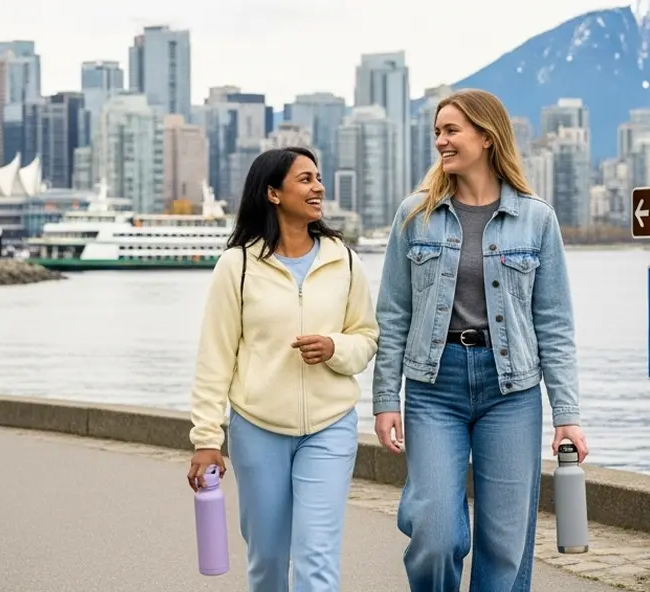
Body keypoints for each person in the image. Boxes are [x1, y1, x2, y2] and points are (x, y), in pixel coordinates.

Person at [371, 89, 590, 592]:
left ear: (486, 138)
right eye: (437, 133)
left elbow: (555, 325)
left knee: (505, 542)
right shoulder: (415, 215)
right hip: (433, 386)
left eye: (451, 131)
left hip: (511, 390)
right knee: (436, 532)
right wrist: (386, 401)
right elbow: (394, 314)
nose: (440, 141)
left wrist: (568, 416)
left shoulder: (536, 219)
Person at [186, 146, 380, 591]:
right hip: (258, 429)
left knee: (317, 556)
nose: (319, 187)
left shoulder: (344, 261)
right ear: (273, 193)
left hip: (330, 428)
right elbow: (214, 358)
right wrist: (206, 439)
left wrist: (334, 347)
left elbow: (367, 338)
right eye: (306, 179)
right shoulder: (236, 266)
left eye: (318, 177)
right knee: (268, 559)